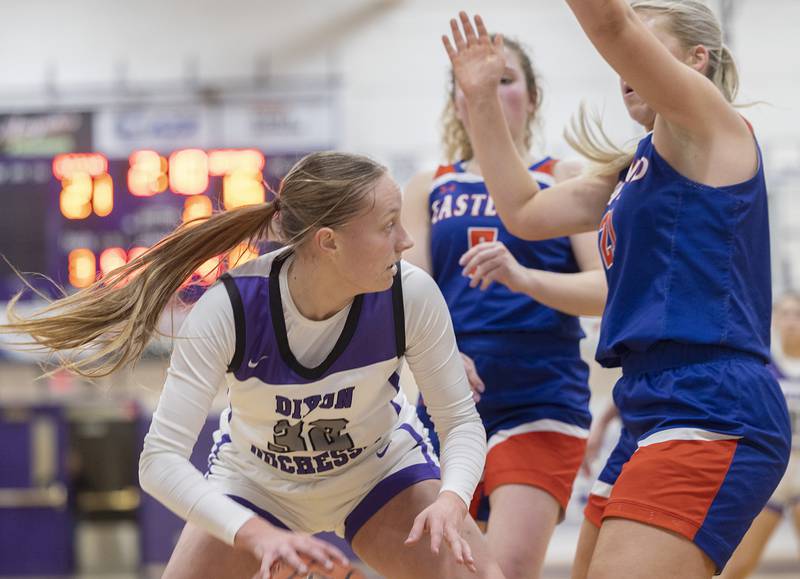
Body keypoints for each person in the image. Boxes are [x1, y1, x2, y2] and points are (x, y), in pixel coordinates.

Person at [2, 152, 507, 579]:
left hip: (377, 473)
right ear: (328, 241)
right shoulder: (230, 308)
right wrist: (256, 534)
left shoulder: (410, 292)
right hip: (257, 484)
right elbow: (159, 462)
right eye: (387, 225)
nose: (406, 240)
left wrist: (452, 499)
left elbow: (459, 421)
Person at [442, 3, 791, 578]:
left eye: (647, 47)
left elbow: (610, 24)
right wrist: (481, 100)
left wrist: (617, 27)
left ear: (695, 60)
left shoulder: (710, 125)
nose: (624, 65)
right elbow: (524, 212)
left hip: (713, 398)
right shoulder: (635, 167)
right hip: (648, 398)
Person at [403, 35, 606, 579]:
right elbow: (407, 297)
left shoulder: (563, 179)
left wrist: (525, 278)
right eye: (474, 84)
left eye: (504, 80)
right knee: (452, 570)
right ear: (457, 100)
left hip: (540, 393)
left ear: (533, 97)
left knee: (509, 569)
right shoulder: (428, 186)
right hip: (449, 398)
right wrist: (434, 360)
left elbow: (606, 289)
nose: (488, 95)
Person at [721, 292, 800, 578]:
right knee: (739, 566)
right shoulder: (763, 363)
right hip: (772, 471)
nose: (792, 321)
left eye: (798, 314)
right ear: (776, 319)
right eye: (786, 314)